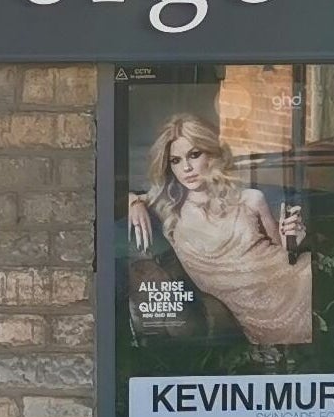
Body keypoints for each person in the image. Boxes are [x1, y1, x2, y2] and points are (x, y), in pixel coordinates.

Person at [128, 113, 312, 346]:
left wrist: (292, 238)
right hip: (246, 314)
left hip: (291, 288)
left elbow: (285, 255)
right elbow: (110, 199)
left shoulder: (251, 199)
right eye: (176, 160)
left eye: (194, 155)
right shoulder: (168, 209)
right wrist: (133, 202)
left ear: (211, 154)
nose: (186, 167)